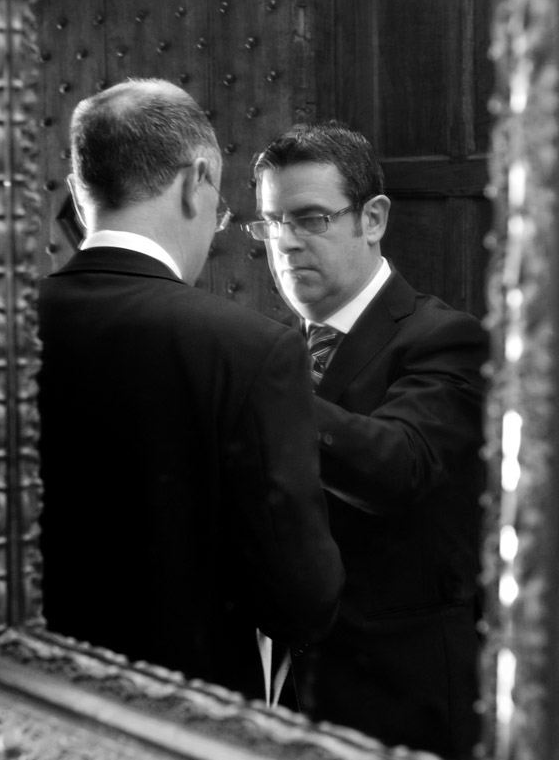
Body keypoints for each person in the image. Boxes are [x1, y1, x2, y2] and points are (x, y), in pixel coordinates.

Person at [37, 79, 344, 702]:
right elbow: (301, 600)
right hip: (181, 728)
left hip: (22, 699)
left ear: (77, 189)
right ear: (195, 179)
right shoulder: (248, 350)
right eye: (222, 205)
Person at [248, 122, 488, 760]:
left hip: (403, 703)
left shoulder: (445, 338)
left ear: (373, 218)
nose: (286, 243)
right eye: (271, 223)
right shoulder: (272, 351)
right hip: (285, 695)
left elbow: (397, 466)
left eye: (311, 219)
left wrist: (259, 387)